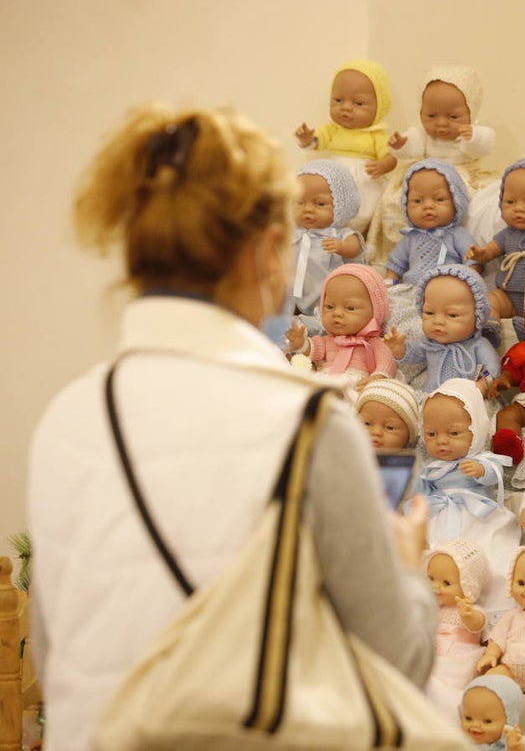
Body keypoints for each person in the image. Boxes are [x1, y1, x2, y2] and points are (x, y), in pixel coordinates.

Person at [26, 104, 437, 751]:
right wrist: (409, 567)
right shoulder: (309, 421)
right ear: (262, 253)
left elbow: (57, 662)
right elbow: (399, 664)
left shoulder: (67, 419)